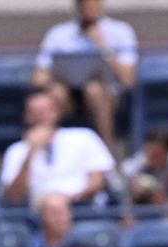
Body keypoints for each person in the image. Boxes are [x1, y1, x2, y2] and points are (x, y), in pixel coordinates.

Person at [34, 0, 139, 150]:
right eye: (83, 3)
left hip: (110, 97)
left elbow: (128, 79)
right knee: (55, 93)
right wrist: (45, 79)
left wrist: (103, 47)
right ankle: (48, 151)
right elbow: (39, 75)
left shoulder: (121, 31)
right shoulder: (58, 34)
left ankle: (107, 154)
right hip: (69, 96)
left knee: (94, 89)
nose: (88, 7)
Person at [1, 86, 115, 206]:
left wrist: (66, 201)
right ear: (26, 117)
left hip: (81, 207)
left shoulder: (84, 136)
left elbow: (97, 181)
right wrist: (30, 153)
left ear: (57, 112)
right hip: (35, 213)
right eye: (36, 113)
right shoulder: (16, 150)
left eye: (47, 111)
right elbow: (14, 196)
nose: (42, 117)